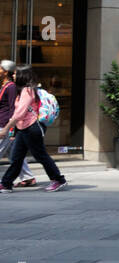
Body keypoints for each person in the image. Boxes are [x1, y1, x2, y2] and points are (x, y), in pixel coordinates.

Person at [0, 65, 68, 193]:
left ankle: (58, 180)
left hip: (31, 128)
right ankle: (6, 183)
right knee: (16, 157)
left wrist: (6, 129)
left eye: (15, 73)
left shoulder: (28, 90)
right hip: (23, 129)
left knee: (40, 155)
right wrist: (14, 131)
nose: (13, 75)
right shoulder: (21, 90)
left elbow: (20, 113)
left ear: (22, 75)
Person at [0, 61, 35, 186]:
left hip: (5, 125)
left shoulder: (11, 87)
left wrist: (10, 128)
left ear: (5, 71)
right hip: (5, 125)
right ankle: (28, 177)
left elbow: (13, 109)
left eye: (0, 68)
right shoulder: (5, 86)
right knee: (14, 155)